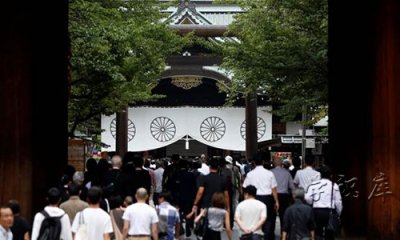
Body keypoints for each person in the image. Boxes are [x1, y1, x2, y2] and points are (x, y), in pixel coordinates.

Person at [242, 154, 279, 240]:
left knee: (254, 220)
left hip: (255, 199)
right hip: (268, 199)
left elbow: (245, 188)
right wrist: (276, 201)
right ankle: (268, 237)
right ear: (263, 162)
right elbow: (273, 189)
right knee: (269, 220)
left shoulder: (250, 174)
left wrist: (245, 200)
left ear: (253, 163)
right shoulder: (270, 173)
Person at [305, 166, 342, 240]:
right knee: (330, 233)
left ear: (320, 175)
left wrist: (312, 202)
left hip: (316, 211)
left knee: (318, 232)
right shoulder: (334, 185)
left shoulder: (313, 184)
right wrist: (338, 213)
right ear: (331, 175)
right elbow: (338, 202)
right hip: (330, 211)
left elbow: (307, 198)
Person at [270, 158, 295, 234]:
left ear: (273, 164)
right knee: (283, 216)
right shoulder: (287, 173)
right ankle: (283, 234)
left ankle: (271, 234)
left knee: (272, 216)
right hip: (284, 196)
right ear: (282, 164)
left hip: (273, 196)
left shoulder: (270, 172)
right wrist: (294, 195)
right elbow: (292, 186)